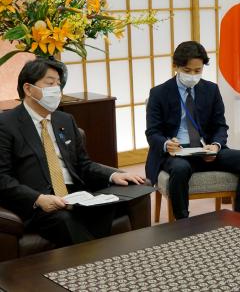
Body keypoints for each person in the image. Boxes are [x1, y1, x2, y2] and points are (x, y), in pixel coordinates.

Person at [0, 57, 145, 247]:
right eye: (50, 83)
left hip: (75, 195)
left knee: (110, 204)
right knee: (64, 220)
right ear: (28, 89)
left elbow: (83, 165)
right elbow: (2, 177)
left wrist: (113, 175)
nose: (57, 90)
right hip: (40, 201)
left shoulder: (65, 120)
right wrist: (38, 199)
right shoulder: (6, 125)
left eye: (59, 85)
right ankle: (98, 267)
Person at [145, 41, 240, 220]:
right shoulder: (159, 93)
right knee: (180, 169)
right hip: (176, 153)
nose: (192, 75)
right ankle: (183, 221)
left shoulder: (211, 90)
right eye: (187, 70)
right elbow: (152, 132)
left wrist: (215, 145)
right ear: (175, 66)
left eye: (198, 71)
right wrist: (167, 144)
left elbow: (220, 125)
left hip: (204, 149)